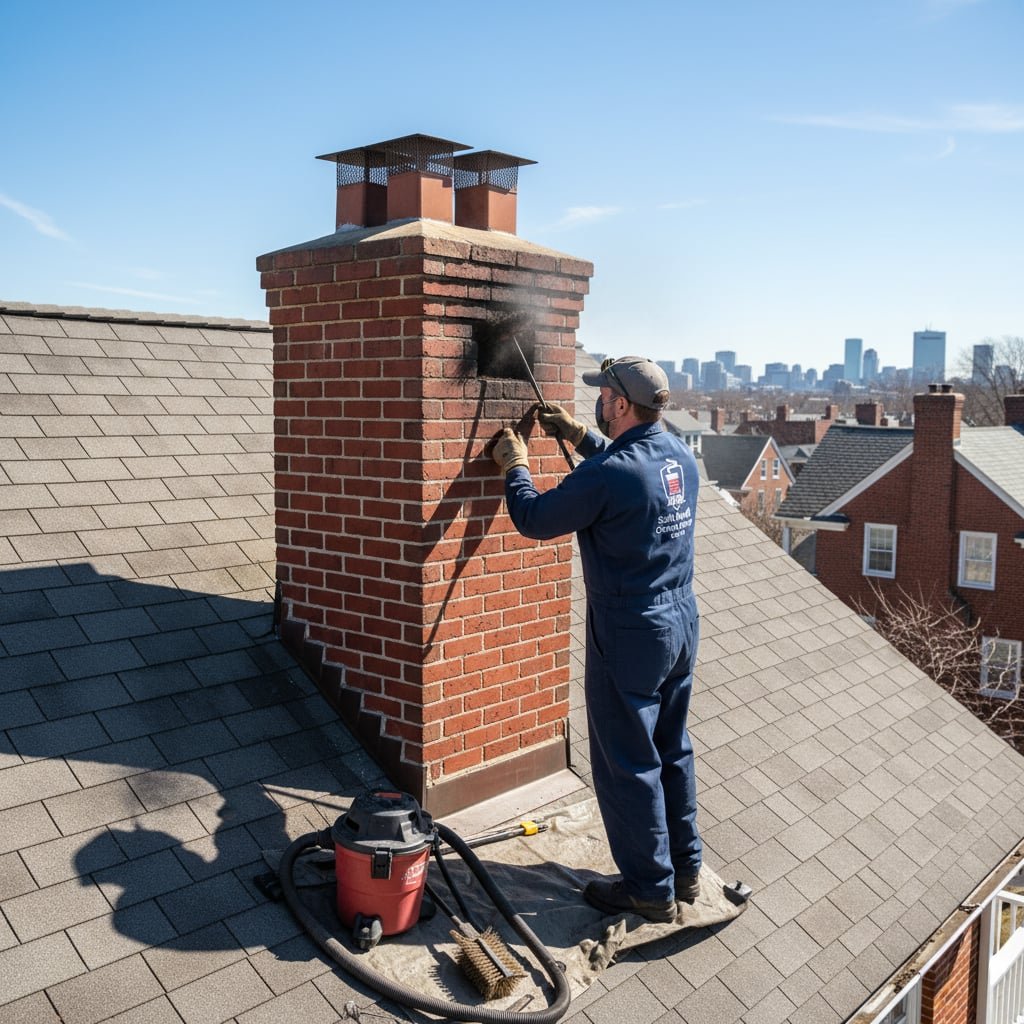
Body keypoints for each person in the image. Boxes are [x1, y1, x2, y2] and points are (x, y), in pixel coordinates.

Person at [490, 356, 702, 922]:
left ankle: (648, 889)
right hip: (679, 623)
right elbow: (632, 477)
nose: (598, 401)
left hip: (630, 631)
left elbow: (534, 518)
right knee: (671, 750)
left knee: (627, 760)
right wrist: (578, 435)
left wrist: (516, 465)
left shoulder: (607, 475)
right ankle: (686, 872)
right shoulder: (680, 454)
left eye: (603, 395)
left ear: (623, 404)